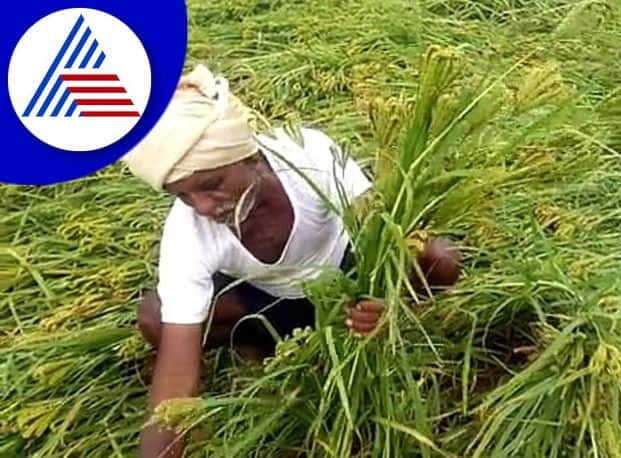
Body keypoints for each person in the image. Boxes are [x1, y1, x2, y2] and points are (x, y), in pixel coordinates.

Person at [121, 65, 460, 457]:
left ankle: (375, 326)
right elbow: (174, 383)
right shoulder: (189, 230)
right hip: (268, 302)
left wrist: (382, 298)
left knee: (439, 257)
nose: (202, 207)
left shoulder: (308, 156)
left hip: (345, 283)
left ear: (248, 156)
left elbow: (382, 234)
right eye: (183, 196)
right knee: (156, 319)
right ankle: (260, 345)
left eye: (212, 185)